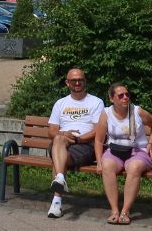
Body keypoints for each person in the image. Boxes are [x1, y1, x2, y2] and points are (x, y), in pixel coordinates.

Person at [94, 83, 152, 225]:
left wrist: (150, 143)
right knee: (107, 166)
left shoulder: (137, 111)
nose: (125, 97)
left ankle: (125, 211)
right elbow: (99, 141)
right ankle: (114, 211)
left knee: (134, 167)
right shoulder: (106, 114)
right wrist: (99, 162)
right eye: (120, 95)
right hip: (115, 151)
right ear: (112, 98)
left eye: (127, 94)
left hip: (137, 151)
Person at [46, 67, 105, 219]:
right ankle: (60, 179)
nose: (77, 82)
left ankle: (57, 201)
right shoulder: (60, 103)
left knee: (58, 157)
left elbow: (98, 130)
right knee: (58, 139)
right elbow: (52, 131)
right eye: (74, 80)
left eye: (80, 80)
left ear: (85, 82)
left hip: (85, 145)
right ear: (67, 83)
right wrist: (64, 134)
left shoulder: (96, 102)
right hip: (62, 143)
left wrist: (79, 139)